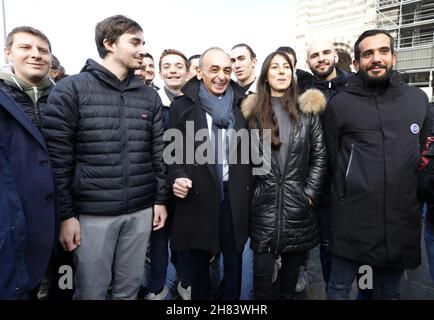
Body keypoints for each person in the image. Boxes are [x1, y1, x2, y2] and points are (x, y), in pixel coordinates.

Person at [42, 15, 168, 300]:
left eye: (143, 43)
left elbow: (158, 153)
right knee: (91, 291)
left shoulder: (149, 96)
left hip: (140, 211)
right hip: (91, 215)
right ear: (109, 43)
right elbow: (58, 161)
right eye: (135, 42)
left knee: (129, 289)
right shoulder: (71, 89)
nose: (142, 49)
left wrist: (160, 200)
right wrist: (66, 216)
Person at [324, 29, 430, 300]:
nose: (376, 58)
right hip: (354, 222)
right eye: (368, 53)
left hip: (399, 221)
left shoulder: (417, 100)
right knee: (345, 287)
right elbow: (332, 157)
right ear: (357, 63)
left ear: (394, 57)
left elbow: (421, 154)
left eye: (383, 51)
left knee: (388, 292)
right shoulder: (340, 104)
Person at [167, 47, 253, 300]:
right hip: (197, 195)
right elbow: (173, 154)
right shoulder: (180, 106)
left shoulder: (245, 104)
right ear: (199, 71)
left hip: (234, 196)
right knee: (198, 267)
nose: (221, 76)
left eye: (226, 70)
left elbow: (258, 155)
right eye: (214, 69)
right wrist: (177, 176)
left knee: (234, 264)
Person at [241, 51, 326, 299]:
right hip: (264, 204)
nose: (281, 71)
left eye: (286, 67)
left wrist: (308, 194)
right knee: (262, 275)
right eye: (275, 67)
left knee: (291, 275)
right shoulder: (252, 113)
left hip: (297, 203)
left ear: (292, 73)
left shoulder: (308, 111)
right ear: (265, 75)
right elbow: (246, 162)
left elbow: (320, 157)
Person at [303, 39, 354, 288]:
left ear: (335, 56)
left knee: (361, 246)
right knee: (326, 245)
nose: (321, 58)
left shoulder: (357, 85)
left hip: (357, 185)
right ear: (308, 62)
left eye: (325, 53)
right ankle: (332, 289)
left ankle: (364, 291)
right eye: (315, 55)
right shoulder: (303, 93)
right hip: (323, 187)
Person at [143, 48, 191, 300]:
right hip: (157, 185)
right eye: (168, 66)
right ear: (160, 72)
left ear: (187, 71)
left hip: (187, 185)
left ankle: (185, 282)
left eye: (178, 66)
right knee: (158, 241)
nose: (173, 70)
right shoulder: (149, 102)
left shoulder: (195, 102)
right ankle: (157, 288)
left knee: (184, 240)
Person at [0, 86, 56, 299]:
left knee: (57, 283)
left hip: (53, 212)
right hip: (17, 216)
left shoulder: (59, 94)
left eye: (43, 49)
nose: (35, 54)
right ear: (8, 52)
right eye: (25, 48)